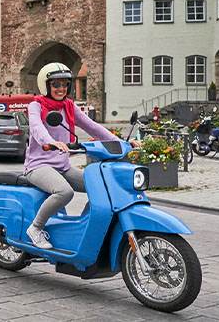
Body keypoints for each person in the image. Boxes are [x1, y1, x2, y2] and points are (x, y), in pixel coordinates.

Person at [23, 63, 140, 250]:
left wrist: (122, 143)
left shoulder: (68, 106)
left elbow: (92, 126)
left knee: (100, 187)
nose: (61, 89)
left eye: (64, 84)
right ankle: (35, 228)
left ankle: (89, 227)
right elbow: (37, 127)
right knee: (64, 192)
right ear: (46, 85)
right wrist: (50, 141)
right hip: (38, 165)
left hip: (62, 165)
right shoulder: (36, 106)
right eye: (56, 85)